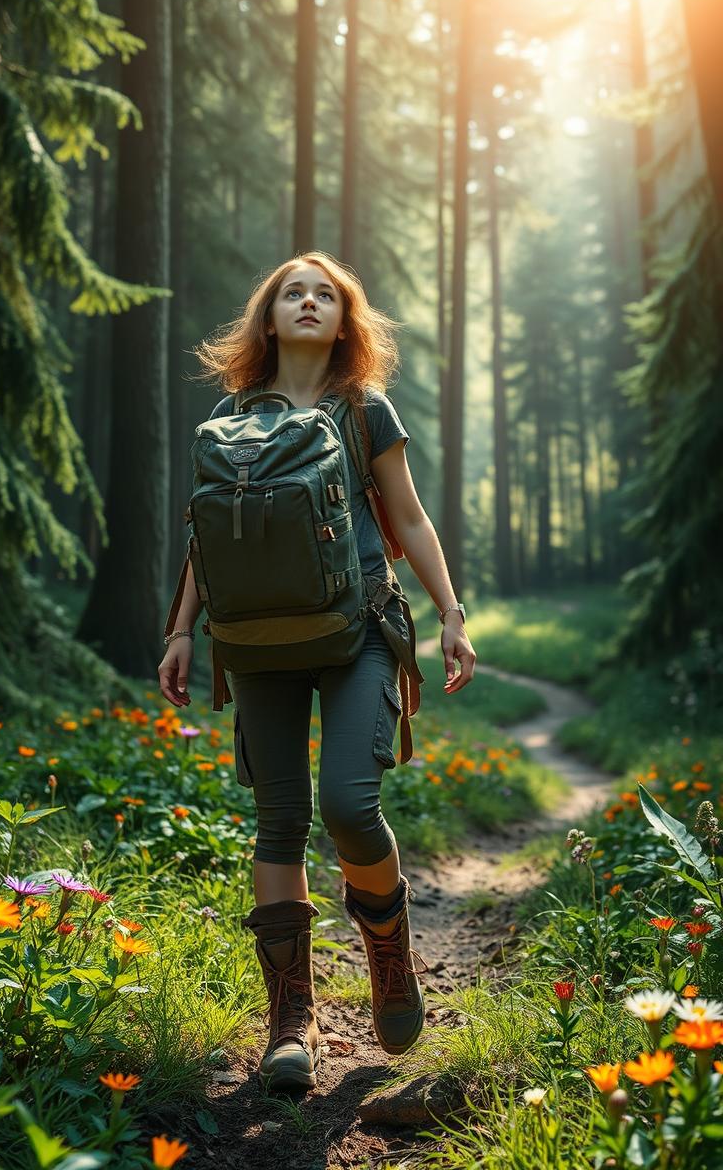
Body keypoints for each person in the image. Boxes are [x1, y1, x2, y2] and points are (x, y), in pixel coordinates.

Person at [158, 251, 476, 1093]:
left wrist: (450, 614)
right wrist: (182, 628)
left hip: (360, 627)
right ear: (268, 318)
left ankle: (388, 954)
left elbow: (407, 514)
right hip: (255, 638)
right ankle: (290, 1024)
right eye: (291, 293)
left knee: (347, 802)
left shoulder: (364, 409)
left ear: (345, 320)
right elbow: (206, 536)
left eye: (324, 294)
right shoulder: (235, 413)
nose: (307, 302)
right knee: (278, 818)